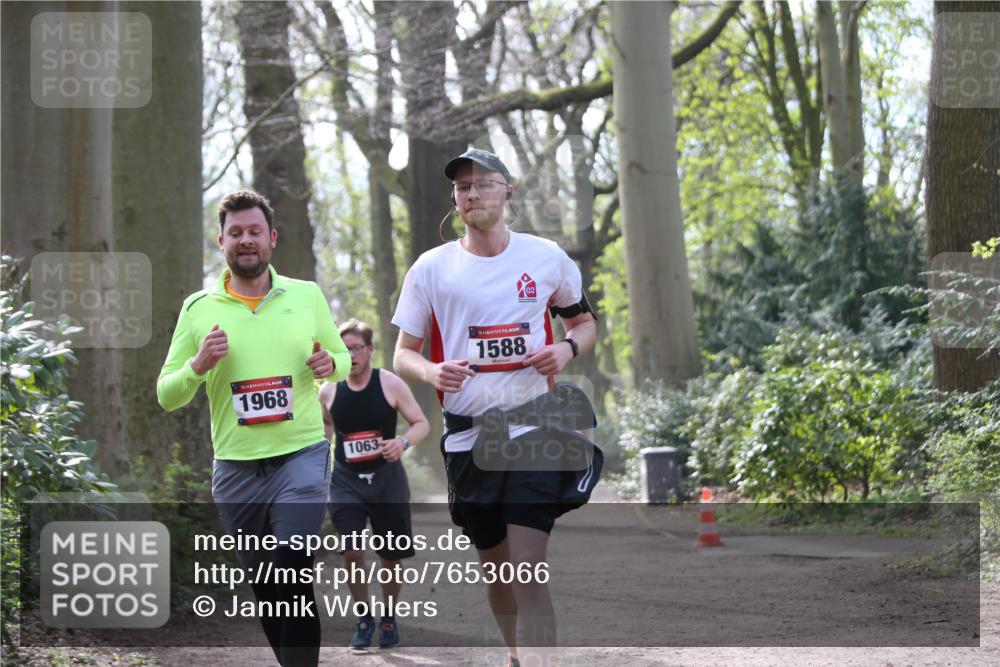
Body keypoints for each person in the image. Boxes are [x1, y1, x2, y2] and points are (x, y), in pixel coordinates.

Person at [391, 149, 598, 667]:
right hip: (468, 440)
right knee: (500, 571)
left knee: (528, 568)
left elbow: (583, 323)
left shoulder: (544, 257)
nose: (472, 193)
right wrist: (433, 372)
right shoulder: (432, 269)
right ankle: (513, 653)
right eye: (463, 187)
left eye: (484, 184)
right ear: (455, 201)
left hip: (534, 431)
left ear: (508, 192)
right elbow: (402, 354)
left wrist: (565, 350)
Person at [157, 190, 350, 667]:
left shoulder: (305, 295)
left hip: (301, 454)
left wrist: (331, 363)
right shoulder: (198, 308)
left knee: (292, 568)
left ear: (272, 240)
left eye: (254, 232)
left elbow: (342, 358)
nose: (246, 240)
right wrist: (199, 365)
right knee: (266, 586)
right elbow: (167, 393)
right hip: (236, 467)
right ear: (221, 241)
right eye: (236, 233)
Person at [319, 318, 429, 650]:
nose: (350, 354)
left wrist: (403, 444)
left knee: (390, 556)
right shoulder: (328, 390)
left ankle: (389, 616)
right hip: (345, 481)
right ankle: (364, 617)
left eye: (355, 348)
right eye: (343, 349)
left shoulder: (390, 384)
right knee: (351, 550)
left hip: (387, 480)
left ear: (369, 350)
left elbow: (421, 423)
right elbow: (324, 430)